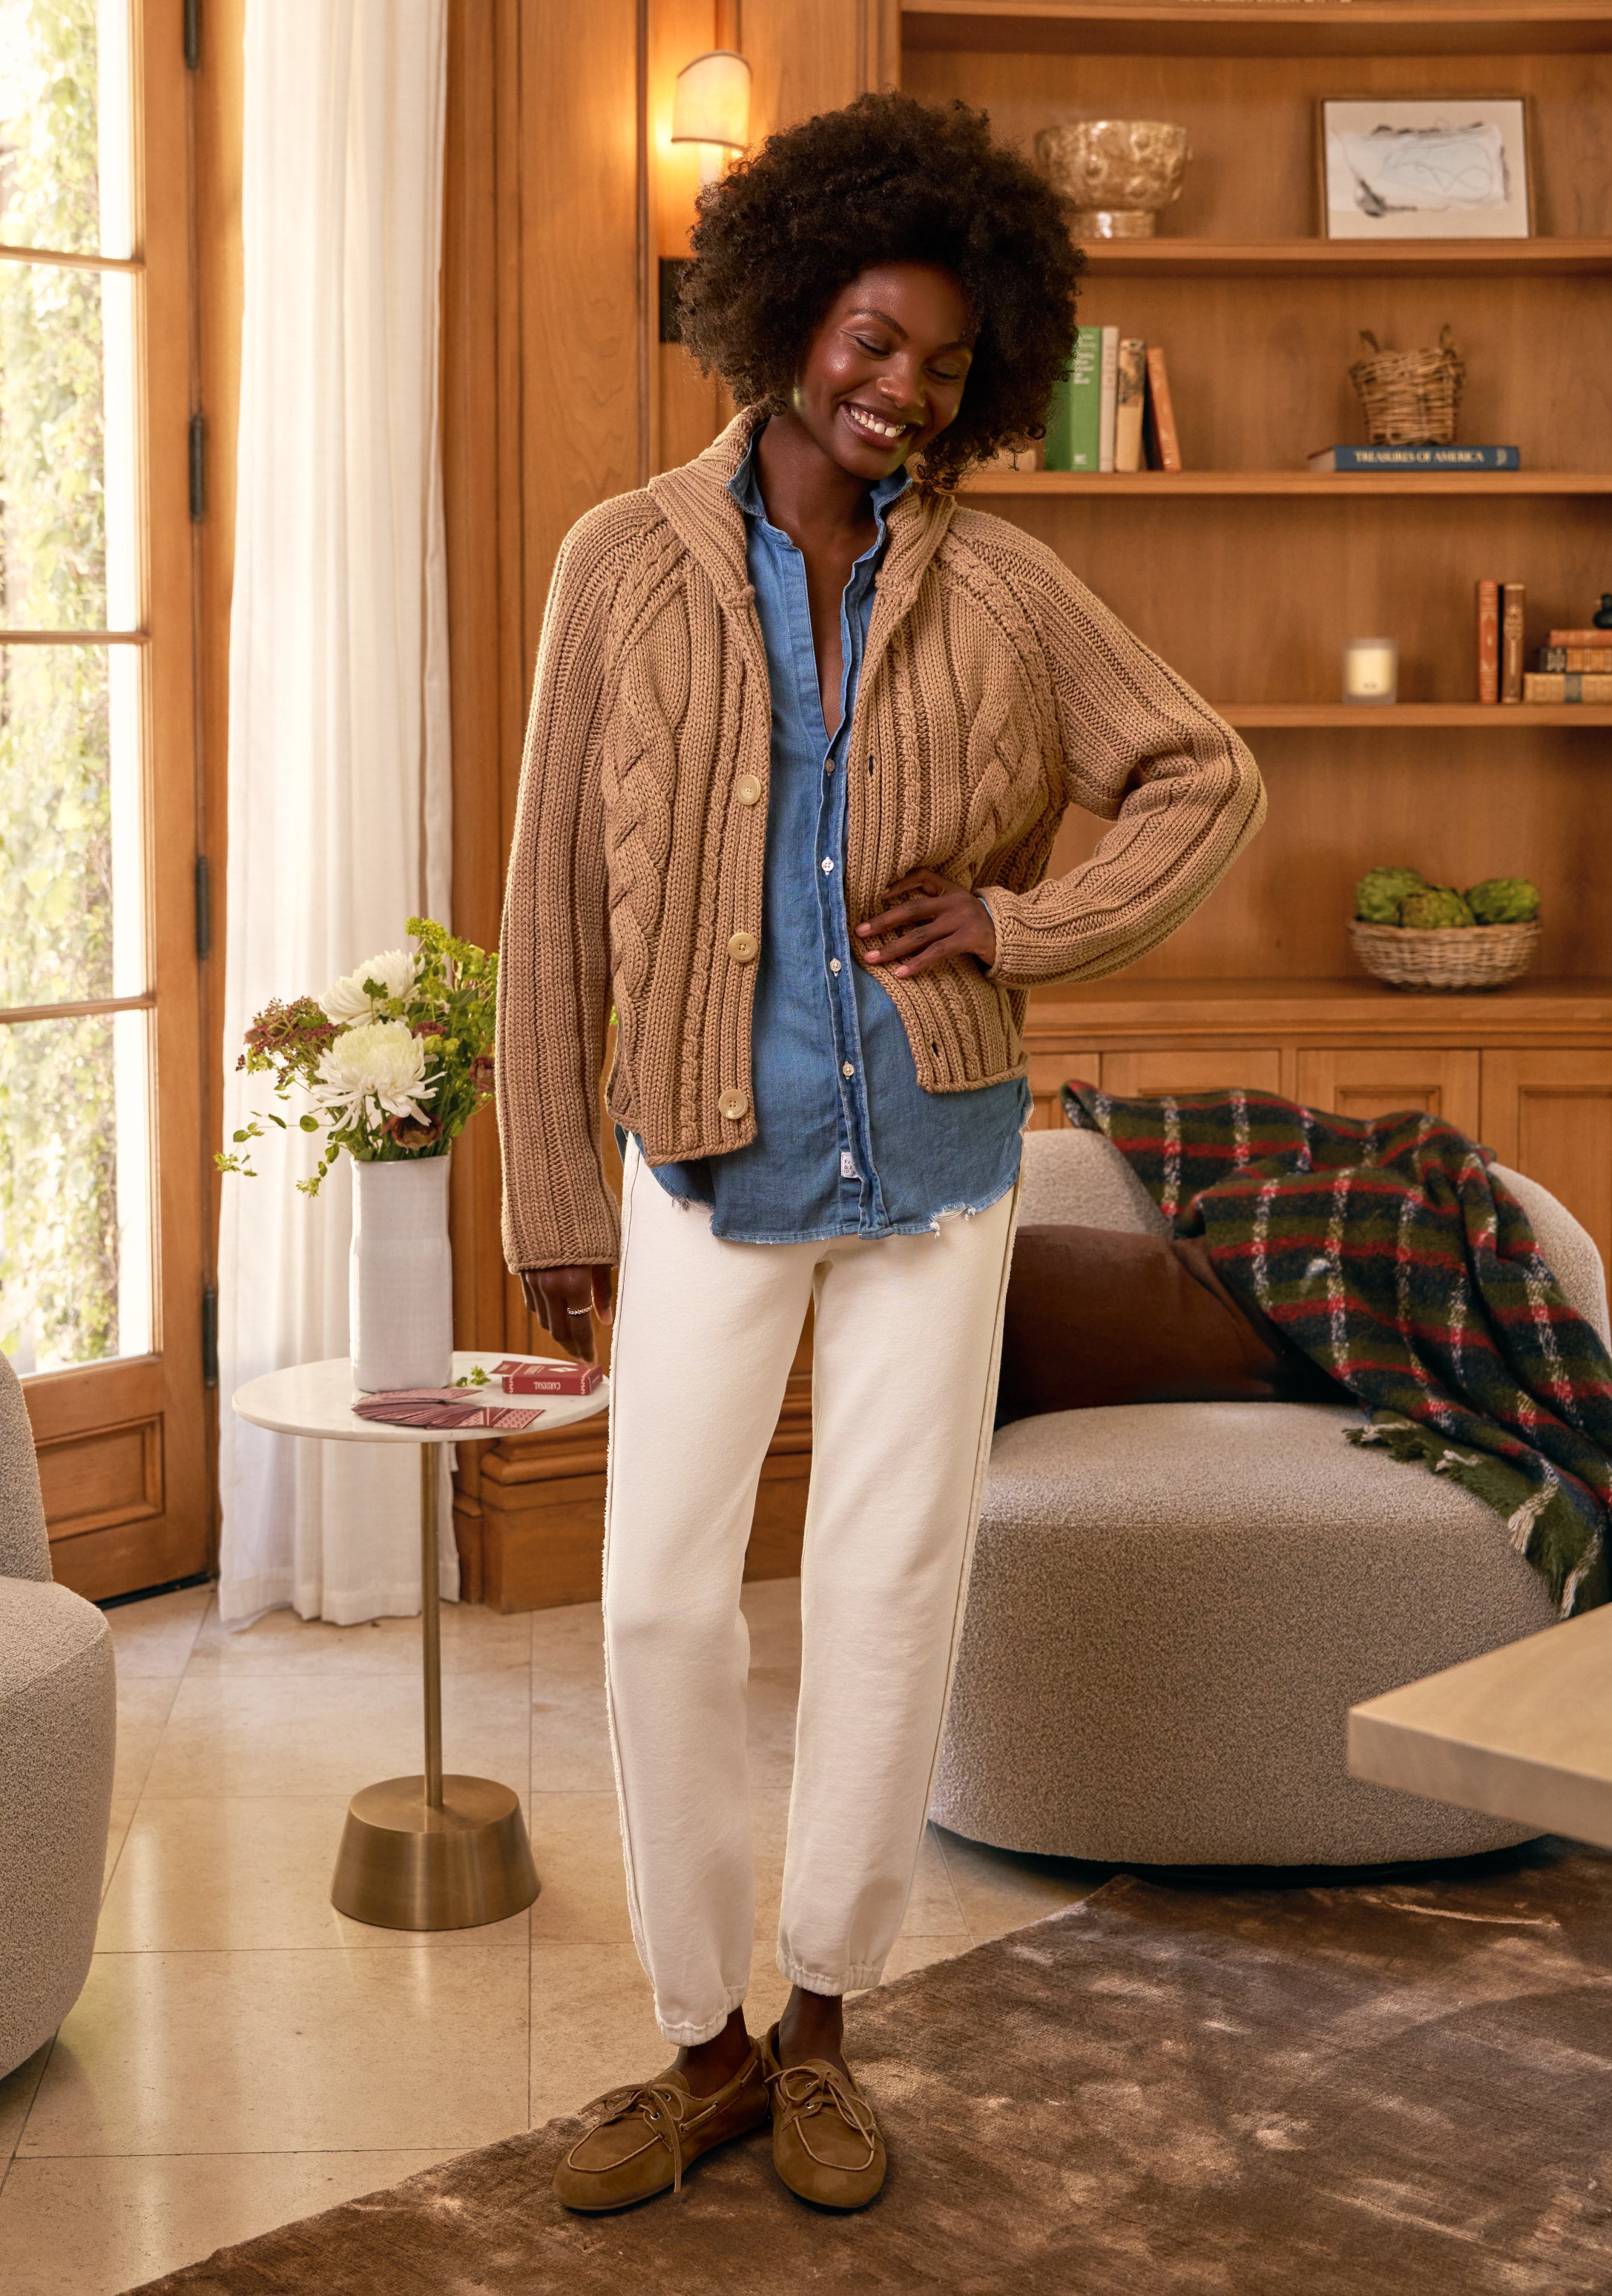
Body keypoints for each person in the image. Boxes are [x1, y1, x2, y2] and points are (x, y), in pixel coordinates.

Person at [496, 90, 1264, 2215]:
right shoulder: (621, 563)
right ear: (784, 316)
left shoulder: (1004, 586)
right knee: (661, 1600)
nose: (899, 386)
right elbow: (554, 899)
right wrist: (552, 1196)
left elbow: (1201, 774)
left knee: (886, 1587)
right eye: (867, 336)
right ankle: (702, 2046)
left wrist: (1023, 926)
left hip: (937, 1153)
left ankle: (824, 2027)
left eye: (940, 358)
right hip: (702, 1159)